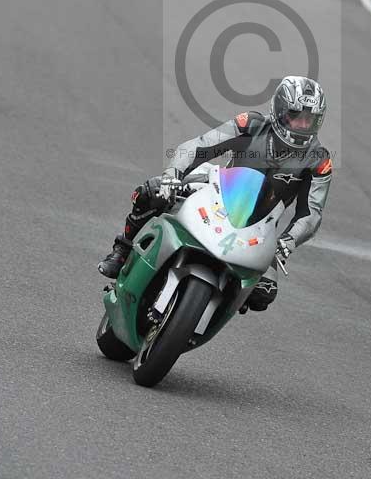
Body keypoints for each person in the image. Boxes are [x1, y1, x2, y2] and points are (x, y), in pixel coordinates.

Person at [98, 76, 333, 311]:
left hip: (260, 227)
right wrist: (173, 175)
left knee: (263, 294)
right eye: (296, 116)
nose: (302, 125)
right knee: (152, 191)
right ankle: (123, 250)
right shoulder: (250, 124)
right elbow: (198, 146)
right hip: (217, 192)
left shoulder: (318, 159)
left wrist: (287, 242)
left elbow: (311, 214)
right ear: (280, 111)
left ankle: (202, 311)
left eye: (309, 120)